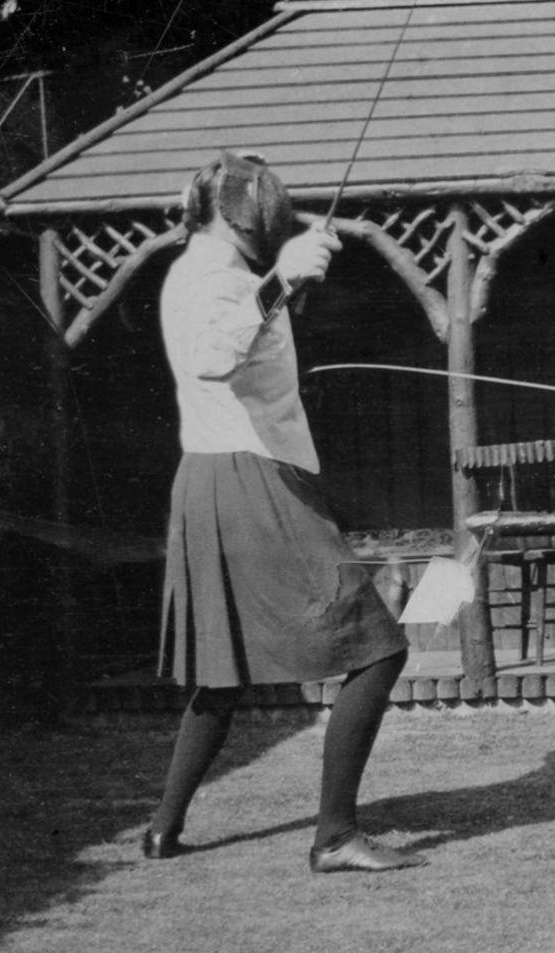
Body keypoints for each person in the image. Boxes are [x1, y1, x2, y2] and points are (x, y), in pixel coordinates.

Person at [140, 150, 424, 873]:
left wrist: (282, 290)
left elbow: (245, 357)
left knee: (222, 672)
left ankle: (163, 831)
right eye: (267, 205)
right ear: (240, 211)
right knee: (379, 647)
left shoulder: (208, 273)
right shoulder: (215, 275)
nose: (277, 214)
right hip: (246, 478)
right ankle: (334, 837)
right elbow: (214, 355)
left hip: (212, 476)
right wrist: (283, 278)